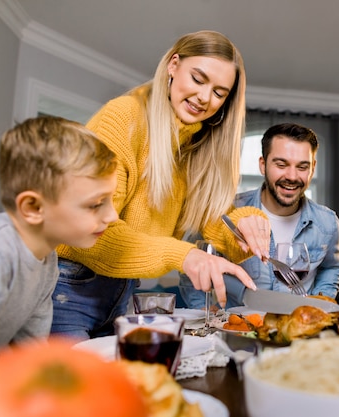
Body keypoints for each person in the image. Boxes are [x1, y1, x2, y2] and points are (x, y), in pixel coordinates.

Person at [51, 31, 269, 341]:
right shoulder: (124, 117)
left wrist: (246, 223)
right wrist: (182, 255)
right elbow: (88, 230)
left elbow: (217, 222)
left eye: (219, 92)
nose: (205, 98)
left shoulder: (195, 144)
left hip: (122, 293)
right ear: (173, 64)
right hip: (66, 290)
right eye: (198, 78)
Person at [0, 116, 118, 356]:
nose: (113, 216)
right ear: (33, 207)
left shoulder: (47, 260)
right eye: (96, 204)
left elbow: (32, 352)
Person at [180, 123, 339, 308]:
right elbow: (191, 265)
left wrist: (318, 306)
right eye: (281, 164)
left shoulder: (328, 223)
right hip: (237, 328)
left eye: (302, 167)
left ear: (312, 168)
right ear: (263, 165)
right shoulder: (225, 212)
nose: (291, 176)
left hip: (298, 327)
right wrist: (204, 312)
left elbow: (331, 267)